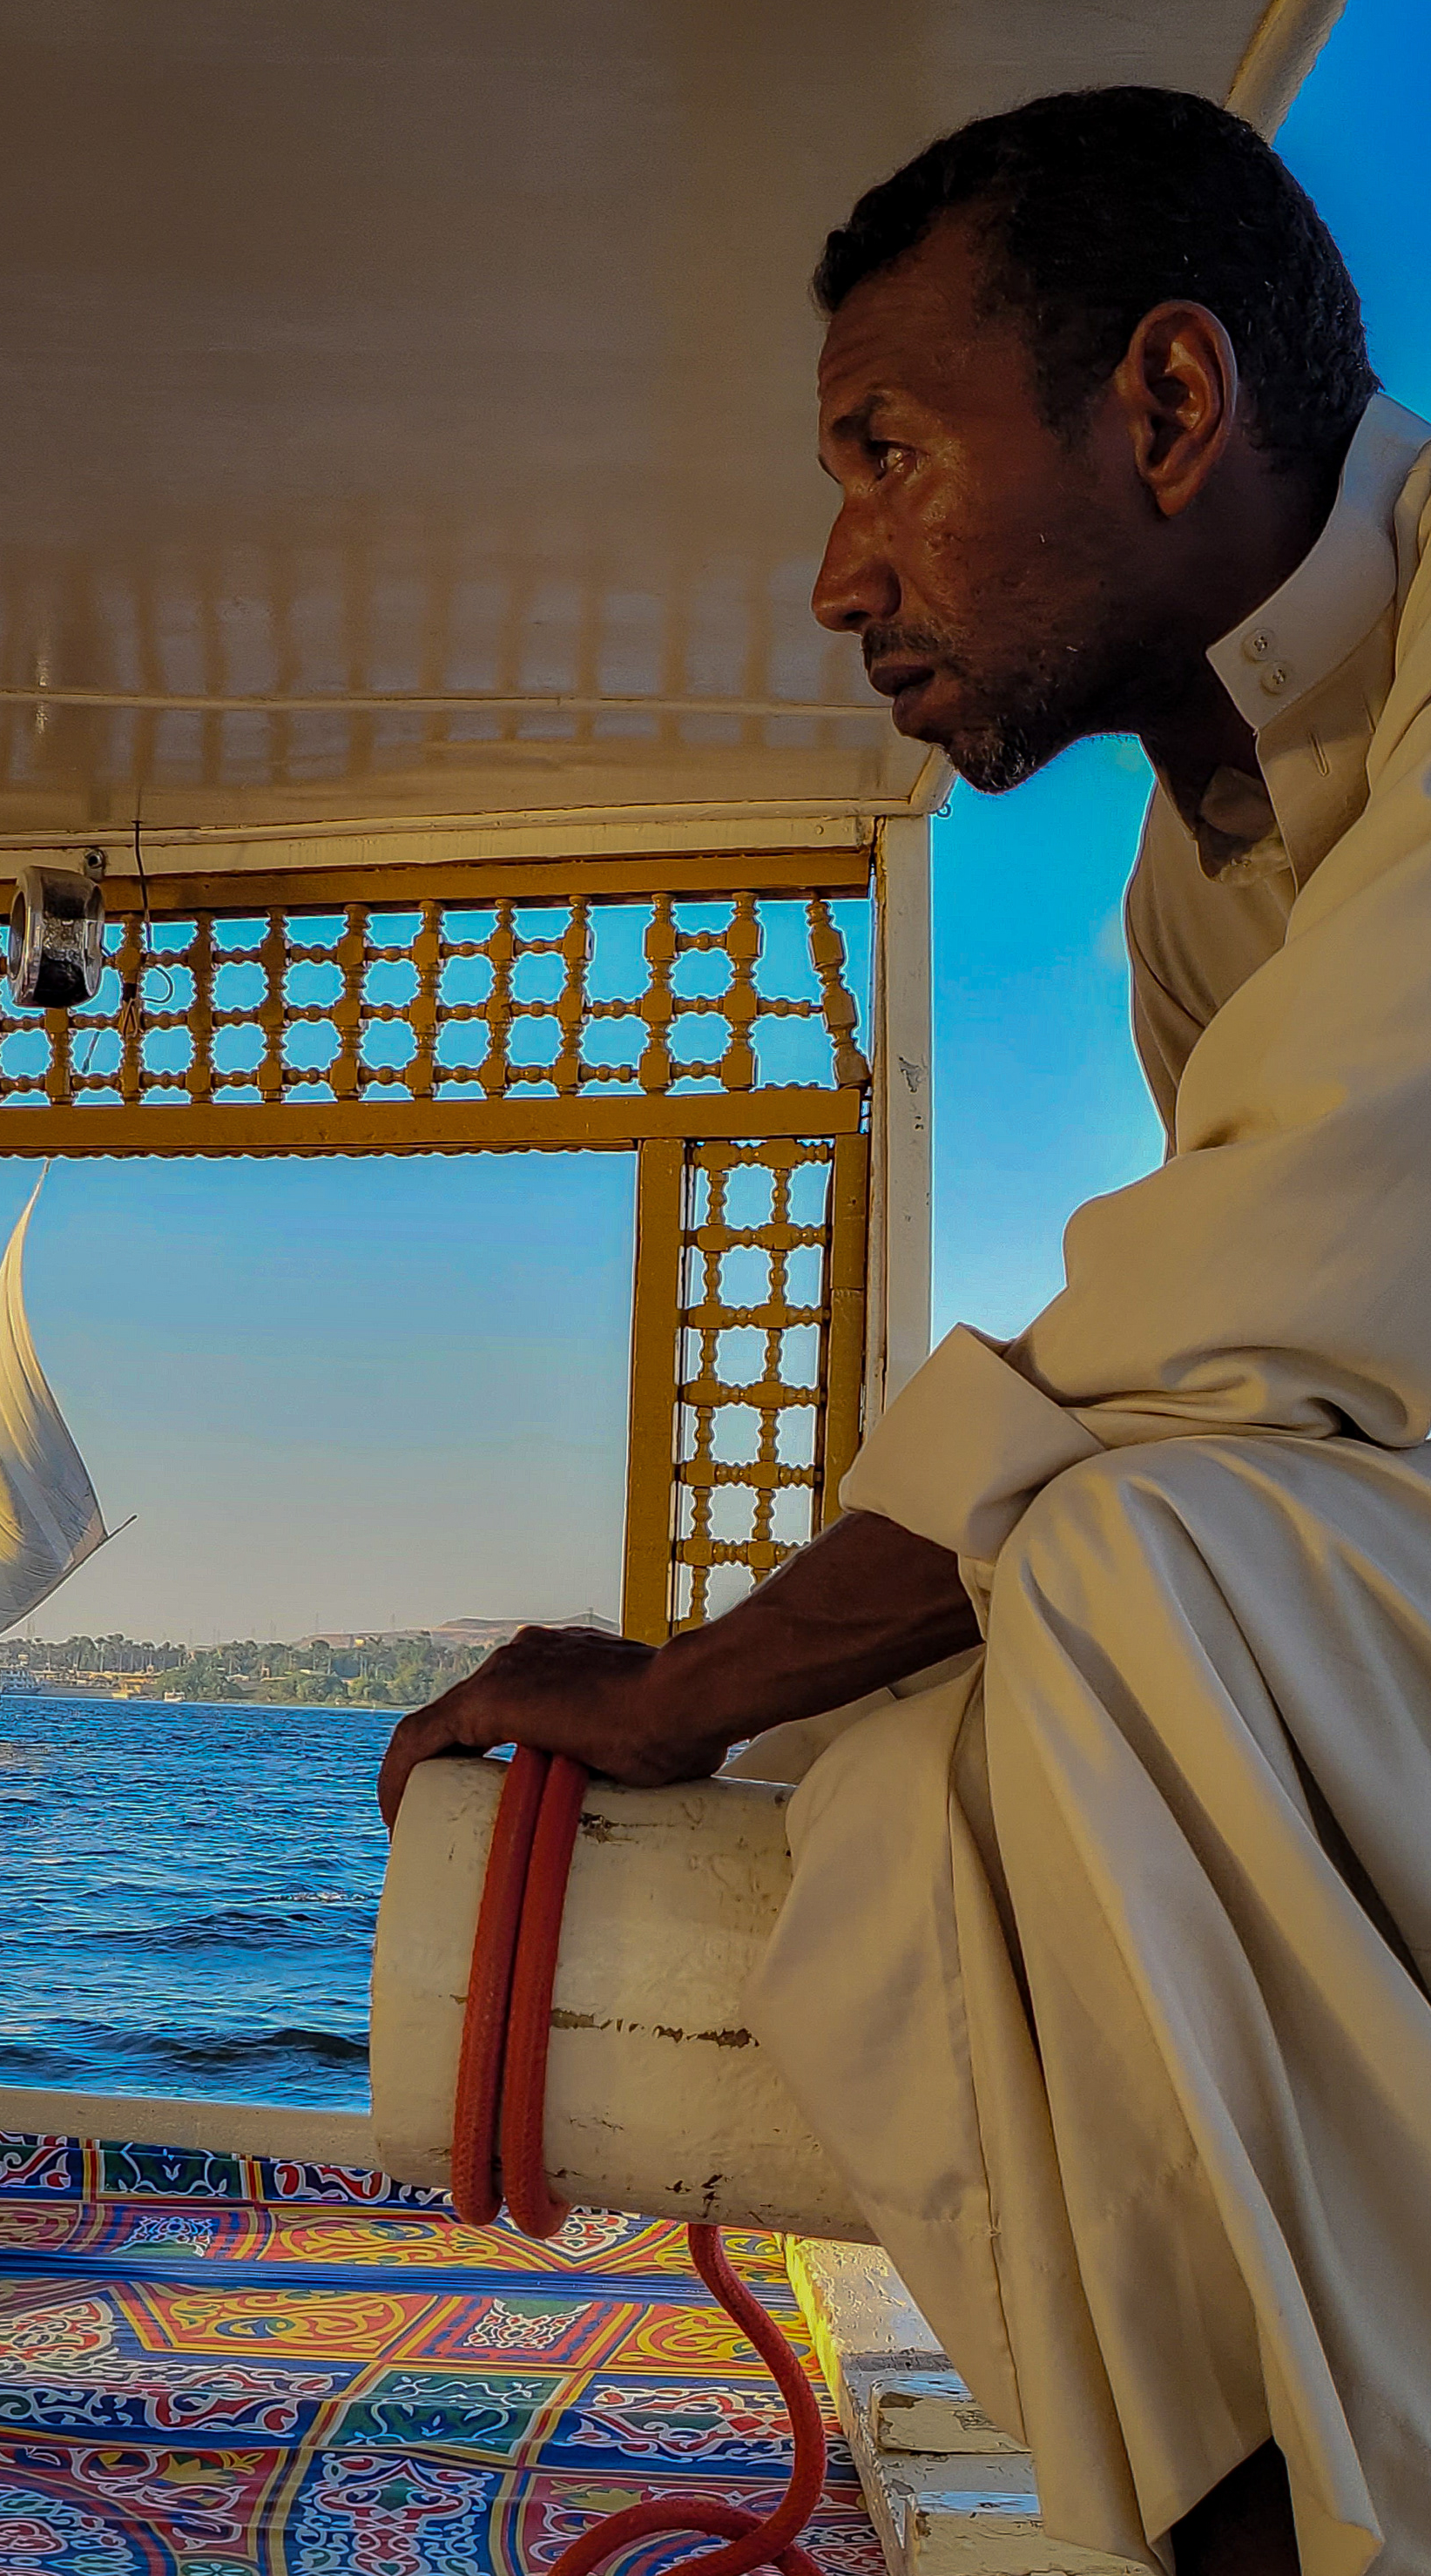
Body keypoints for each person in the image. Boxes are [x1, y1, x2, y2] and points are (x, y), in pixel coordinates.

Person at [378, 86, 1431, 2576]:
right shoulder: (1207, 873)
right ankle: (1237, 2516)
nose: (841, 572)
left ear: (1167, 407)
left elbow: (1211, 1348)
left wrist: (672, 1693)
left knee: (1131, 1565)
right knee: (904, 1781)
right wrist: (786, 1696)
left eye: (887, 454)